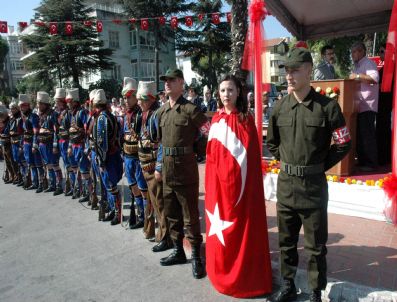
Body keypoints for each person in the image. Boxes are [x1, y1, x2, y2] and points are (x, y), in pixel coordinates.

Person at [267, 47, 351, 302]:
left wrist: (318, 166)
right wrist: (290, 164)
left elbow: (343, 143)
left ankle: (315, 290)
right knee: (286, 241)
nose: (289, 76)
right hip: (286, 186)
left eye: (294, 70)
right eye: (287, 70)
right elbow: (272, 143)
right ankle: (288, 284)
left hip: (313, 186)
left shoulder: (328, 107)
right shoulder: (280, 107)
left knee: (316, 246)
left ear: (308, 70)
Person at [205, 75, 272, 297]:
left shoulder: (246, 120)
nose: (226, 95)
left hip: (240, 191)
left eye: (230, 90)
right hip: (219, 190)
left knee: (241, 231)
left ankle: (244, 278)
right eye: (223, 90)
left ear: (238, 92)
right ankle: (221, 273)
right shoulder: (215, 119)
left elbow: (250, 160)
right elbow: (211, 157)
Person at [156, 69, 210, 279]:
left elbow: (207, 132)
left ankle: (196, 256)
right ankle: (178, 250)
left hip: (185, 168)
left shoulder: (190, 109)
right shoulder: (161, 112)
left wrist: (198, 153)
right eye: (166, 80)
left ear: (181, 83)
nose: (167, 84)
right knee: (171, 213)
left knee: (190, 215)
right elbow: (160, 142)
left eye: (172, 80)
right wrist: (160, 165)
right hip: (168, 169)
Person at [136, 81, 172, 252]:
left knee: (160, 203)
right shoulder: (144, 115)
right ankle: (158, 233)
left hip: (154, 167)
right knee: (153, 202)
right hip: (145, 166)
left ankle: (166, 237)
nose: (138, 103)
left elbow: (162, 143)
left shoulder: (156, 115)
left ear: (149, 99)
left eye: (141, 100)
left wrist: (158, 167)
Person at [121, 77, 149, 230]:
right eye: (124, 98)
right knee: (133, 188)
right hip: (128, 158)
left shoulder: (141, 115)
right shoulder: (125, 115)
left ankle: (147, 218)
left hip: (139, 159)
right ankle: (140, 216)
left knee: (143, 190)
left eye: (128, 97)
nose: (126, 100)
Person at [92, 89, 123, 225]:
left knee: (111, 186)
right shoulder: (109, 115)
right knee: (110, 185)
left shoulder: (102, 118)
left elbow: (102, 143)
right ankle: (113, 210)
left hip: (108, 157)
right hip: (112, 155)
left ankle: (118, 213)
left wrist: (101, 161)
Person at [349, 41, 379, 171]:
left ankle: (371, 164)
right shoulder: (358, 65)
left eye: (353, 52)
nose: (352, 55)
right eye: (351, 52)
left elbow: (374, 79)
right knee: (360, 136)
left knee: (367, 136)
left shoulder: (368, 63)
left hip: (367, 106)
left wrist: (356, 76)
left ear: (361, 51)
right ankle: (363, 162)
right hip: (359, 106)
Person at [36, 91, 63, 195]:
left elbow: (57, 131)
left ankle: (59, 185)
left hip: (51, 144)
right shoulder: (40, 115)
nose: (38, 106)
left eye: (39, 104)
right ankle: (52, 185)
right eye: (38, 104)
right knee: (48, 165)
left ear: (44, 104)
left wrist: (55, 145)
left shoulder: (53, 115)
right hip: (42, 144)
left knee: (55, 165)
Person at [20, 94, 46, 192]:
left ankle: (41, 183)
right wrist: (22, 144)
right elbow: (24, 132)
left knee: (38, 164)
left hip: (33, 143)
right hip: (26, 143)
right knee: (31, 164)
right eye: (21, 106)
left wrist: (35, 144)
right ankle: (35, 183)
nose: (22, 108)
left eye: (24, 106)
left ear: (28, 106)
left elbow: (36, 131)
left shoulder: (33, 116)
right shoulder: (24, 116)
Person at [376, 44, 392, 166]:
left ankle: (385, 158)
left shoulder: (391, 69)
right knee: (382, 130)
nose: (380, 54)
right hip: (382, 106)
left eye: (382, 51)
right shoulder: (383, 70)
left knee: (385, 131)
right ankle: (383, 157)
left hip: (388, 106)